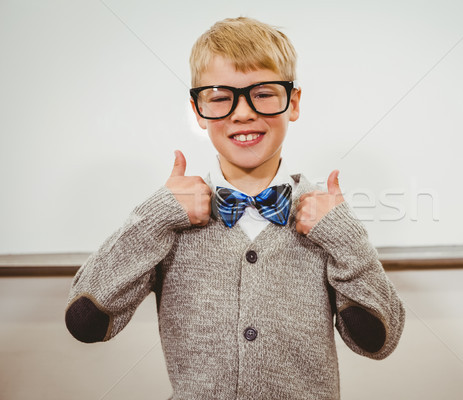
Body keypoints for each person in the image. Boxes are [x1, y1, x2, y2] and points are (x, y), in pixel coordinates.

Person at [65, 16, 405, 400]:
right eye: (221, 97)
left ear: (292, 103)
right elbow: (86, 320)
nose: (243, 113)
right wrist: (153, 220)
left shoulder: (323, 219)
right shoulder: (168, 219)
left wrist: (347, 239)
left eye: (263, 93)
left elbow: (379, 340)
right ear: (197, 110)